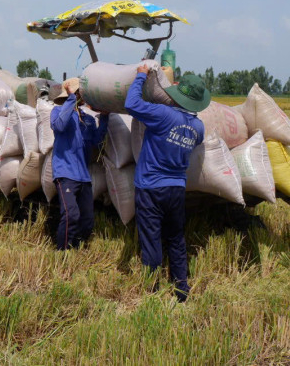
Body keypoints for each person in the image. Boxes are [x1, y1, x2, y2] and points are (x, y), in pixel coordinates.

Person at [124, 64, 210, 302]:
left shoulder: (162, 114)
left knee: (151, 239)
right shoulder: (197, 127)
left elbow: (131, 104)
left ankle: (152, 291)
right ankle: (182, 290)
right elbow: (198, 139)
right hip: (176, 189)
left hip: (151, 186)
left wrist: (141, 76)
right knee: (175, 238)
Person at [50, 77, 109, 250]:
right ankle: (62, 253)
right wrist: (70, 100)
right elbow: (59, 126)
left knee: (88, 220)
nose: (79, 97)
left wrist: (105, 119)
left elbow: (97, 141)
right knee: (71, 215)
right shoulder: (58, 112)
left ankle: (76, 248)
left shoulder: (88, 120)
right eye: (77, 94)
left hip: (83, 176)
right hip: (65, 172)